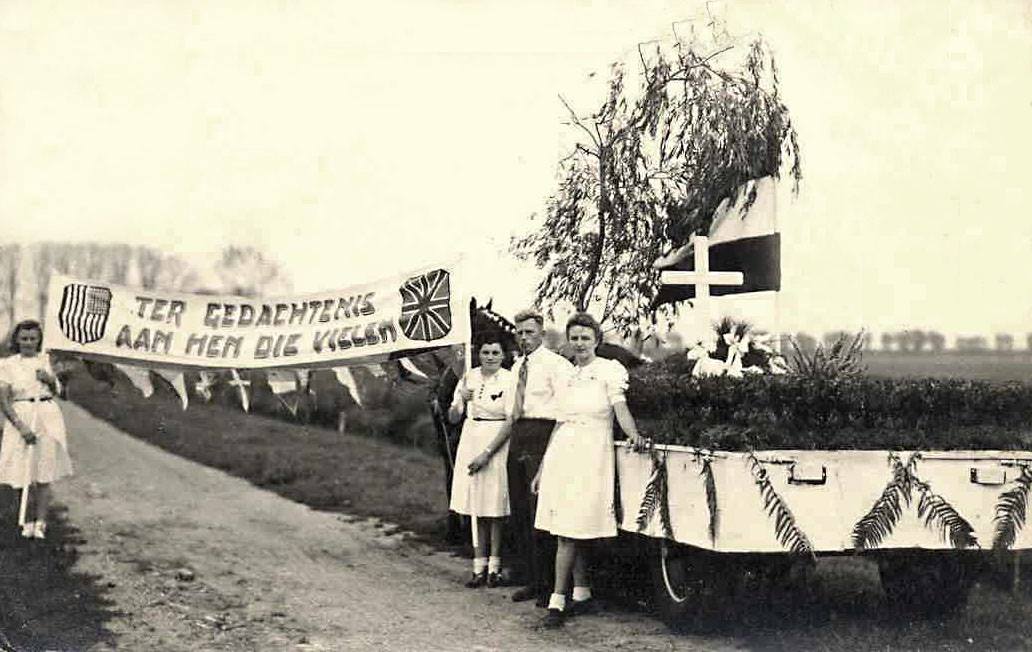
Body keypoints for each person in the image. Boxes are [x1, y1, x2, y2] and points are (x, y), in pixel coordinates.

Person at [533, 312, 646, 628]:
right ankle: (580, 594)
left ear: (596, 341)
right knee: (569, 527)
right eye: (574, 338)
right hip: (563, 453)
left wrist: (634, 434)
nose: (579, 344)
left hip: (591, 454)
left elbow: (619, 408)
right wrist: (543, 468)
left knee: (572, 529)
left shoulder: (609, 371)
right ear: (568, 342)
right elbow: (559, 423)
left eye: (585, 338)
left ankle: (557, 602)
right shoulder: (566, 376)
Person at [499, 308, 573, 607]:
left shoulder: (557, 365)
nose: (524, 338)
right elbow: (511, 408)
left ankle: (550, 585)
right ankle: (531, 578)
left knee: (540, 509)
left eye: (529, 332)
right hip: (519, 432)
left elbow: (565, 409)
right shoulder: (517, 366)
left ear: (542, 333)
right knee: (519, 507)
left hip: (543, 432)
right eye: (520, 333)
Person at [448, 334, 513, 588]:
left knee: (495, 507)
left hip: (496, 441)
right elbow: (453, 418)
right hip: (471, 436)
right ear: (479, 354)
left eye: (495, 353)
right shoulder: (469, 377)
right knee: (476, 505)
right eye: (486, 353)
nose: (490, 358)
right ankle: (479, 566)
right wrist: (461, 399)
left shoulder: (509, 380)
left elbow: (510, 420)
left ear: (503, 356)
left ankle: (495, 567)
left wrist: (487, 452)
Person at [0, 320, 73, 540]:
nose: (29, 343)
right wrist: (20, 426)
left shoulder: (47, 361)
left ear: (39, 340)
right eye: (24, 338)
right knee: (21, 470)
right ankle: (26, 519)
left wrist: (51, 380)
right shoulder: (8, 364)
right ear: (17, 340)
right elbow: (3, 399)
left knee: (43, 470)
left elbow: (65, 395)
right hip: (22, 414)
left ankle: (40, 522)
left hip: (47, 414)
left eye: (33, 338)